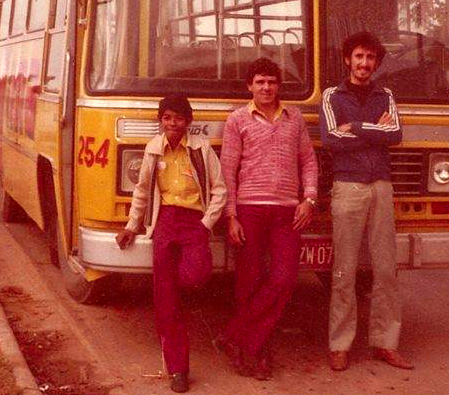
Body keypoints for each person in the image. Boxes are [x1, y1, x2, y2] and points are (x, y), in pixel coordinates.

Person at [115, 93, 226, 393]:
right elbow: (142, 191)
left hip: (194, 222)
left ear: (188, 121)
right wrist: (132, 226)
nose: (172, 123)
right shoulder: (153, 149)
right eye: (167, 118)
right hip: (165, 221)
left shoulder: (201, 149)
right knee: (166, 300)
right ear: (160, 121)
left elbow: (220, 190)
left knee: (196, 275)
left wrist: (206, 224)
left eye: (178, 118)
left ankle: (180, 294)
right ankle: (178, 369)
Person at [216, 57, 318, 380]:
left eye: (271, 82)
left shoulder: (294, 118)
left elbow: (308, 161)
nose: (266, 87)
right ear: (250, 86)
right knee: (249, 281)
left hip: (287, 211)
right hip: (250, 209)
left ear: (278, 86)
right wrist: (231, 216)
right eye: (260, 82)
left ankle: (234, 335)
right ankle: (255, 350)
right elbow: (228, 170)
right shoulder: (237, 120)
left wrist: (309, 199)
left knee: (285, 278)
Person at [319, 31, 414, 372]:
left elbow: (396, 135)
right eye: (359, 56)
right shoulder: (332, 95)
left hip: (381, 186)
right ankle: (340, 345)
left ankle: (385, 343)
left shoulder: (385, 95)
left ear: (376, 63)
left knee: (386, 269)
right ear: (348, 59)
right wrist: (375, 130)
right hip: (348, 186)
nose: (364, 63)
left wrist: (357, 126)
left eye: (370, 58)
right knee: (344, 270)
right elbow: (331, 139)